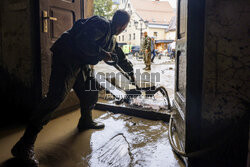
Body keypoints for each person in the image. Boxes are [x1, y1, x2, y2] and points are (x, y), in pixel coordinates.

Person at [11, 10, 134, 167]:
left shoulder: (111, 39)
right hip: (66, 56)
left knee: (90, 90)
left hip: (80, 61)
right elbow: (82, 41)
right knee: (55, 98)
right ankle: (24, 145)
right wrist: (102, 53)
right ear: (123, 26)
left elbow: (120, 57)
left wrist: (130, 73)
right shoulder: (101, 24)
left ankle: (85, 120)